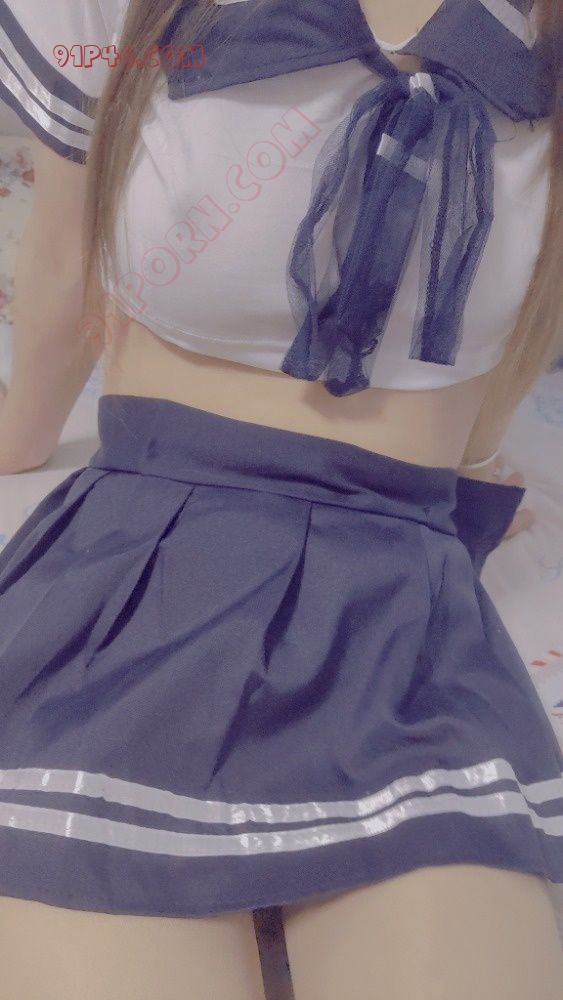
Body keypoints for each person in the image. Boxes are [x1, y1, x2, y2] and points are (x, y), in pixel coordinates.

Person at [0, 1, 562, 997]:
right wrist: (18, 440)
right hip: (138, 585)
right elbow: (59, 282)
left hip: (401, 623)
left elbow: (506, 344)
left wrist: (472, 481)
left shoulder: (536, 43)